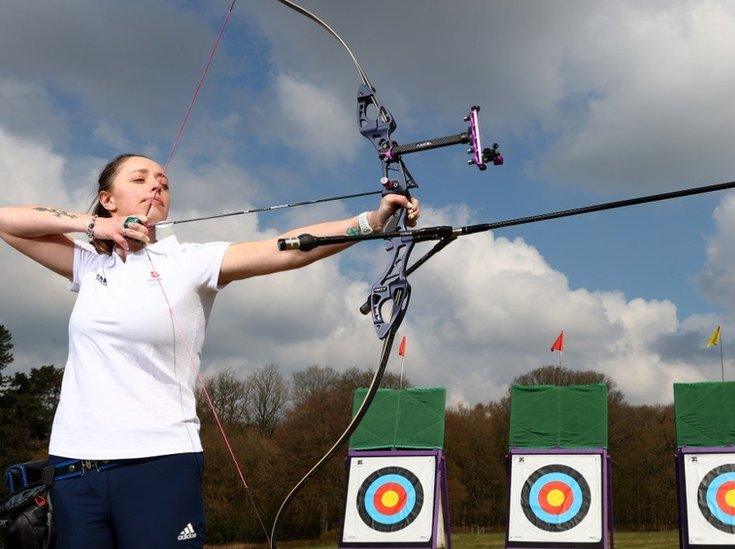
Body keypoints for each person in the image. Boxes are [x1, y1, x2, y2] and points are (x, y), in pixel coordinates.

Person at [0, 153, 421, 548]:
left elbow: (288, 249)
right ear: (107, 199)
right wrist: (92, 226)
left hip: (158, 462)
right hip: (73, 467)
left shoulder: (191, 261)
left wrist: (369, 223)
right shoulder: (89, 266)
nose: (156, 186)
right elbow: (7, 220)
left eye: (163, 182)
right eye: (140, 179)